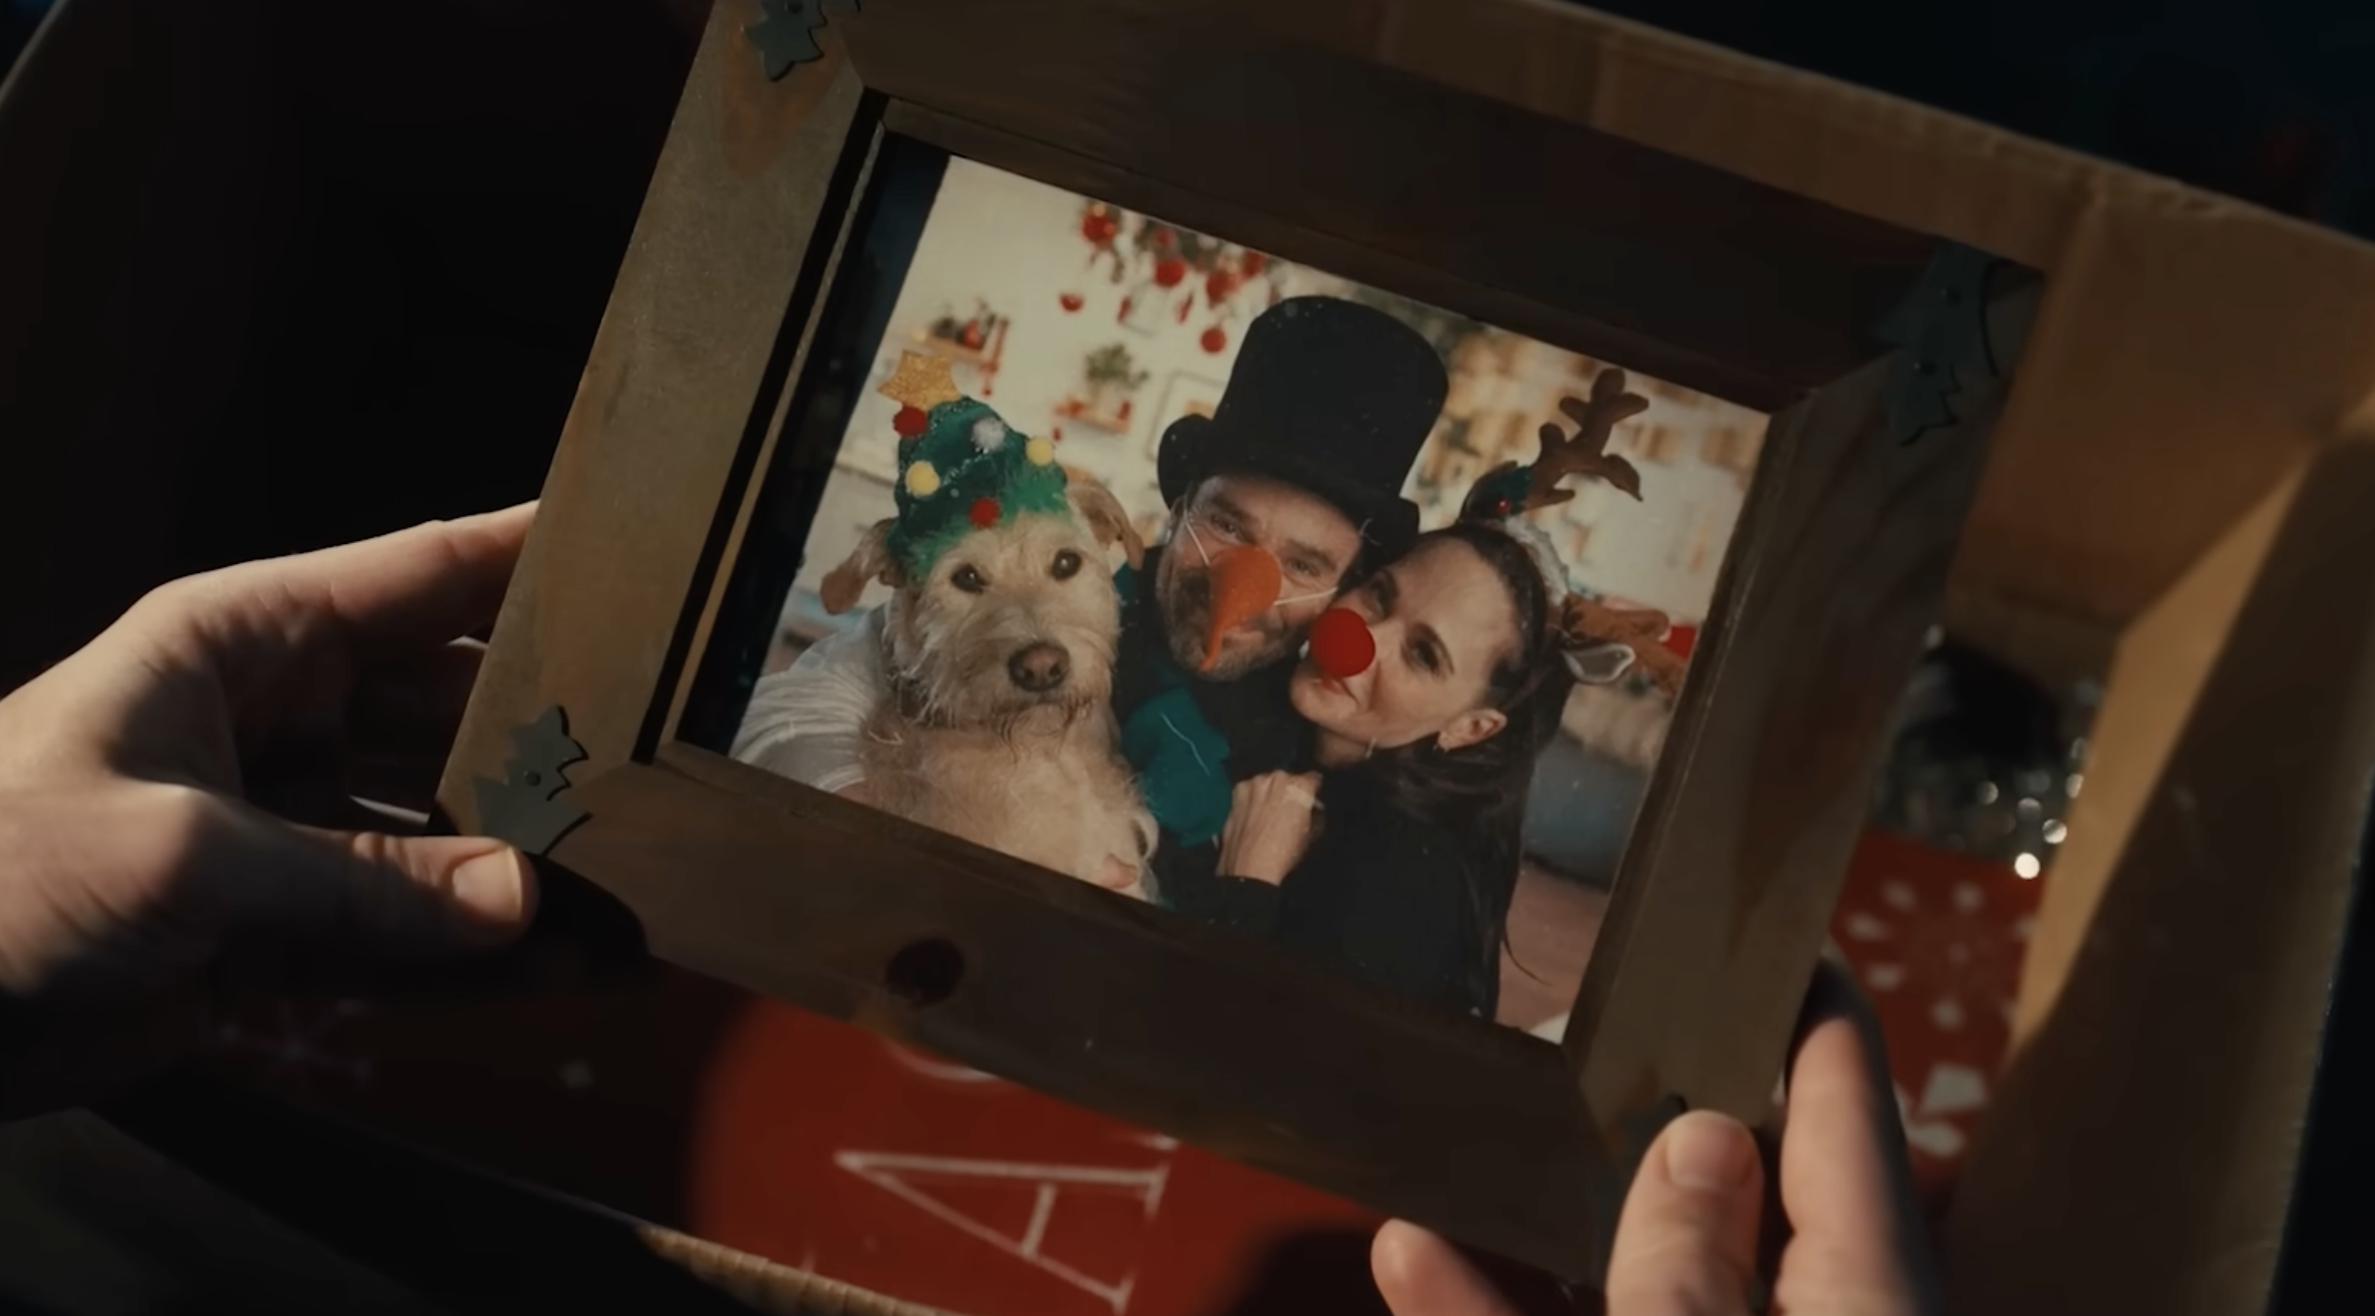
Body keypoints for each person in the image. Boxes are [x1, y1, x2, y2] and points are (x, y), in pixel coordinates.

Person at [0, 508, 1927, 1313]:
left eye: (1399, 635)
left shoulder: (1414, 869)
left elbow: (1293, 1097)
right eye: (1288, 575)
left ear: (1476, 711)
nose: (1320, 630)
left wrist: (1244, 892)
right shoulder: (1200, 686)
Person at [734, 295, 1450, 915]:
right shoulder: (1055, 594)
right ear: (1171, 514)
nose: (1243, 583)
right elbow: (784, 711)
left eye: (1303, 564)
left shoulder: (1320, 729)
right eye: (1226, 525)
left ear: (1341, 588)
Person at [1204, 376, 1663, 1020]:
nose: (1363, 637)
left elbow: (1251, 1072)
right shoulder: (1285, 733)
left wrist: (1246, 884)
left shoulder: (1403, 875)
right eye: (1381, 597)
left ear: (1472, 726)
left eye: (1423, 654)